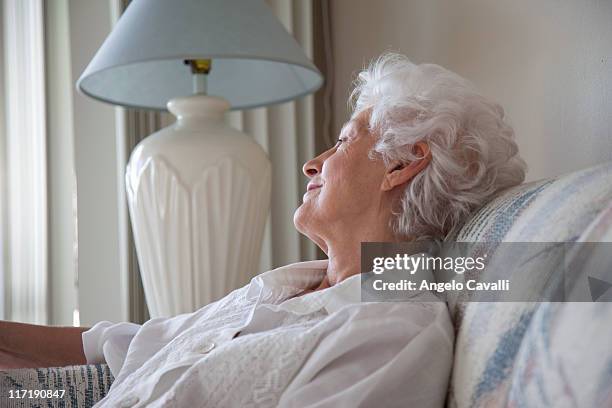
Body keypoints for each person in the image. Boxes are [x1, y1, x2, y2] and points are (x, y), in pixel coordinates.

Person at [0, 53, 525, 407]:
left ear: (403, 163)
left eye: (342, 143)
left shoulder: (391, 330)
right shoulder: (290, 283)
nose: (312, 164)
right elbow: (132, 345)